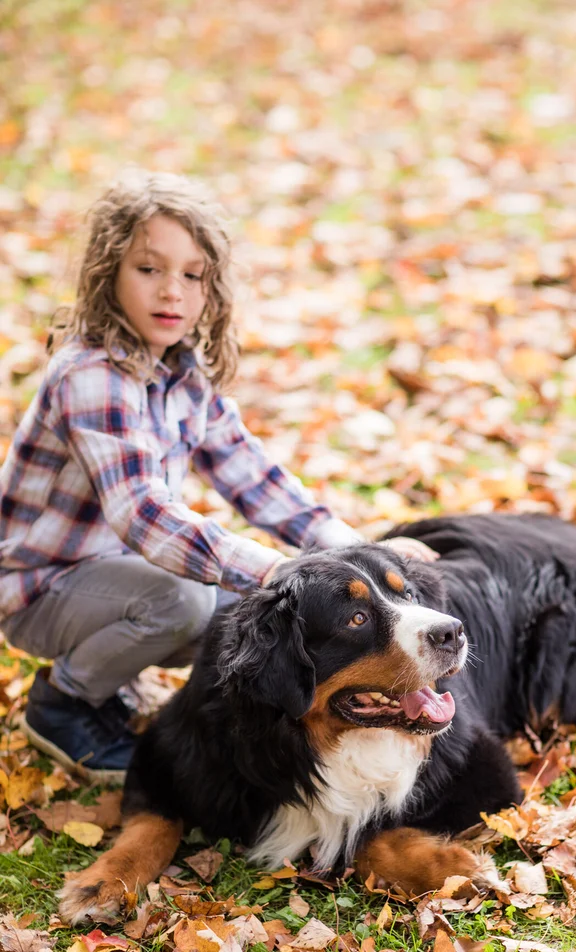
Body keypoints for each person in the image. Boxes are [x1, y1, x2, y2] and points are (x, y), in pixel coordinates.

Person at [0, 170, 434, 783]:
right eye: (148, 269)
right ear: (108, 274)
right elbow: (142, 515)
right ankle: (64, 703)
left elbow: (252, 475)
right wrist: (274, 570)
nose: (170, 291)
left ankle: (108, 681)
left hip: (105, 578)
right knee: (182, 599)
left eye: (191, 274)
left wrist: (354, 550)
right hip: (39, 588)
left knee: (238, 613)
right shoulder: (91, 375)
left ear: (212, 287)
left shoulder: (181, 371)